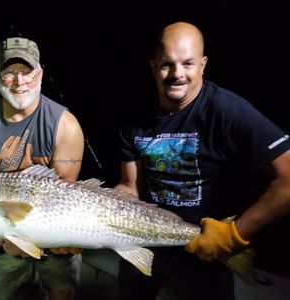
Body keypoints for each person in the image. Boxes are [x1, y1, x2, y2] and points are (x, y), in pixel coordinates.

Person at [115, 21, 290, 300]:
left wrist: (234, 235)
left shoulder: (228, 111)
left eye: (188, 63)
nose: (177, 74)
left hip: (204, 250)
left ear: (203, 65)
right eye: (166, 65)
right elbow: (129, 187)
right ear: (152, 66)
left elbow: (288, 177)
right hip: (142, 242)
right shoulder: (132, 117)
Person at [0, 36, 84, 300]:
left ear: (40, 73)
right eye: (10, 73)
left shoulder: (66, 125)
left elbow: (64, 199)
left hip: (55, 239)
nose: (20, 82)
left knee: (62, 293)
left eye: (27, 72)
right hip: (4, 250)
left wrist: (38, 242)